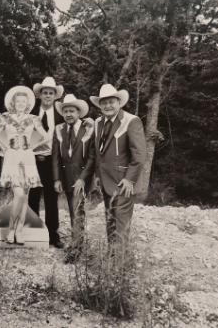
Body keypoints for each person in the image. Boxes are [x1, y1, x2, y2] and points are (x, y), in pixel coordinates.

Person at [0, 86, 49, 245]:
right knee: (19, 195)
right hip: (12, 158)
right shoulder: (5, 118)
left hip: (28, 159)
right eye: (18, 101)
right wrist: (5, 148)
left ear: (28, 103)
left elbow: (46, 137)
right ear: (13, 103)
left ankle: (19, 231)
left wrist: (32, 147)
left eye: (24, 101)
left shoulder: (34, 119)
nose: (21, 103)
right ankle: (10, 230)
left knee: (25, 197)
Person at [90, 84, 146, 250]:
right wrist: (97, 176)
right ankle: (111, 261)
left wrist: (130, 180)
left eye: (111, 102)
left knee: (121, 226)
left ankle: (120, 267)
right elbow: (98, 153)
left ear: (119, 102)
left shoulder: (131, 121)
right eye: (104, 102)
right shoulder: (98, 122)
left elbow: (139, 155)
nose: (108, 106)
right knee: (110, 222)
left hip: (123, 183)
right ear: (100, 105)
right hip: (106, 181)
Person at [52, 94, 95, 263]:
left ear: (79, 113)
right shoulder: (59, 130)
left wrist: (83, 179)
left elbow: (92, 157)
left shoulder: (88, 128)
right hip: (66, 178)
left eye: (72, 111)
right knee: (73, 211)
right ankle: (78, 244)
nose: (69, 114)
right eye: (66, 111)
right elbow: (55, 157)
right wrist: (56, 179)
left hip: (81, 178)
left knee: (77, 212)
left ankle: (76, 251)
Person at [29, 77, 65, 248]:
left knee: (51, 198)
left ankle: (53, 235)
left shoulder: (60, 115)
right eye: (45, 93)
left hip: (52, 161)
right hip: (33, 160)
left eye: (51, 93)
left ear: (55, 96)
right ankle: (34, 234)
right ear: (40, 95)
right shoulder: (31, 113)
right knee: (33, 197)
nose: (48, 96)